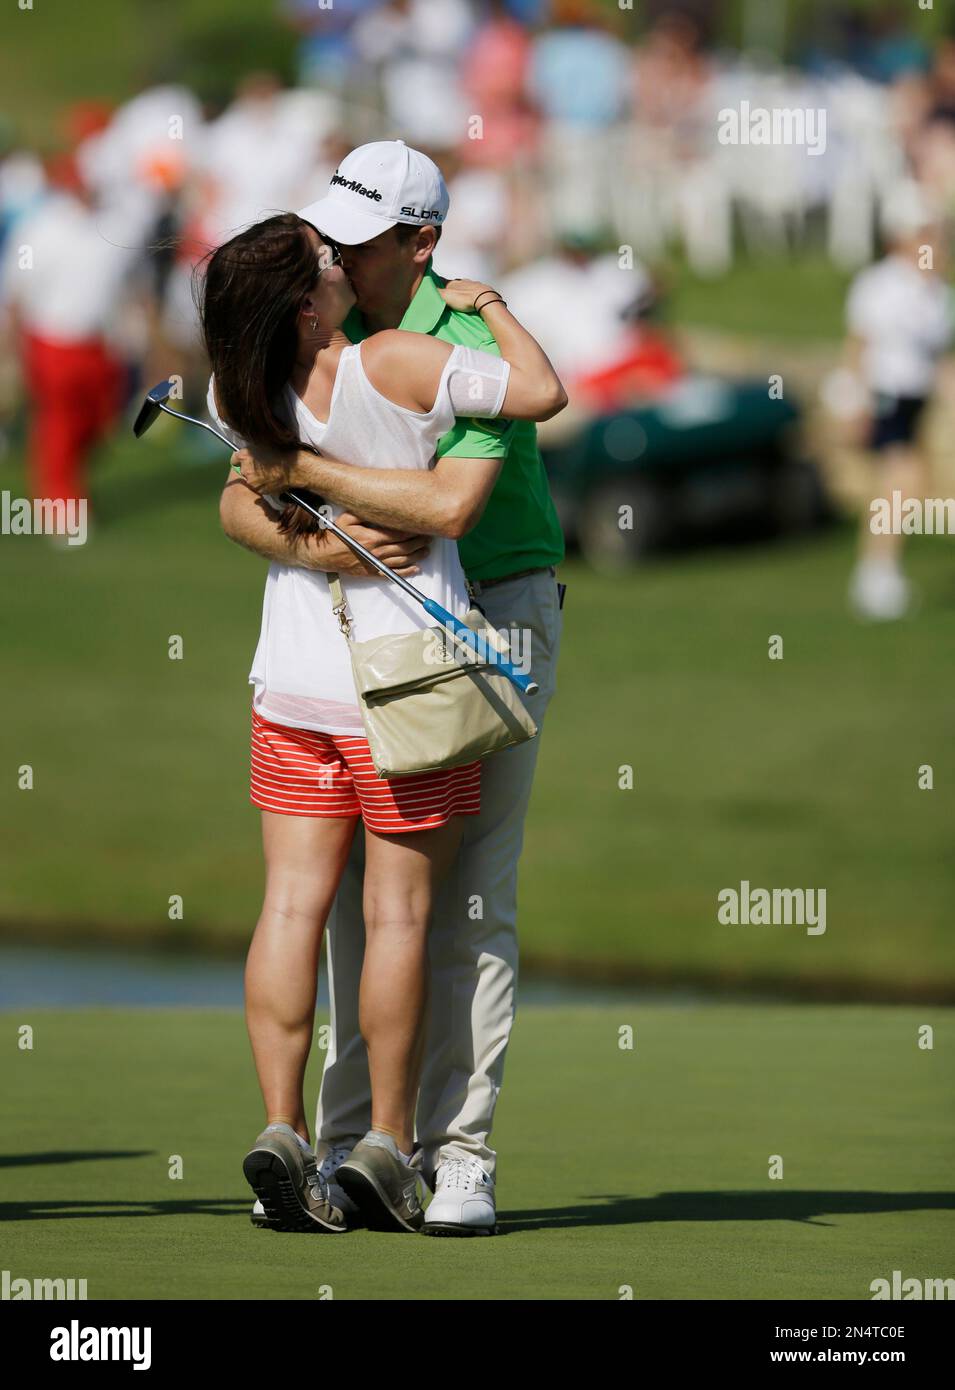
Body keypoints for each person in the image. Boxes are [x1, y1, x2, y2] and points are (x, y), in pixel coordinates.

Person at [219, 140, 566, 1235]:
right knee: (356, 917)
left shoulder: (456, 338)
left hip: (492, 616)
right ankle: (349, 1148)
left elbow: (452, 509)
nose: (338, 255)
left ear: (421, 243)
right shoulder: (313, 334)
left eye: (360, 242)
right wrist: (323, 545)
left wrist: (304, 477)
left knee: (465, 906)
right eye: (331, 239)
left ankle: (455, 1155)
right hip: (357, 633)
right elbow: (237, 497)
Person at [834, 181, 954, 620]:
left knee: (905, 484)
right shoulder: (881, 285)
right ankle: (876, 574)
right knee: (901, 481)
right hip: (885, 396)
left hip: (914, 398)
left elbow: (937, 357)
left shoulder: (936, 293)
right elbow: (858, 347)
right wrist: (853, 402)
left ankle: (882, 570)